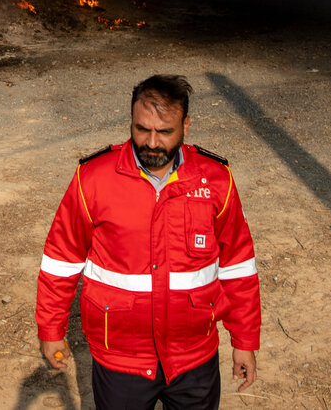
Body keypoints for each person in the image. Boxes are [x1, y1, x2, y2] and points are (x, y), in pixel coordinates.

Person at [35, 75, 260, 409]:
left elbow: (237, 264)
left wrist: (244, 339)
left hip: (194, 357)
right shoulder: (94, 178)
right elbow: (61, 259)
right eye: (141, 129)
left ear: (186, 125)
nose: (151, 142)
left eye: (165, 132)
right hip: (121, 357)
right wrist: (51, 329)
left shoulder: (215, 180)